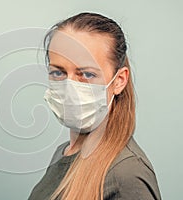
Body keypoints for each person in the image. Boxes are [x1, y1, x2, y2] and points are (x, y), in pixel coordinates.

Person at [28, 12, 161, 200]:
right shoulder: (65, 152)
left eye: (87, 74)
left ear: (119, 81)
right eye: (58, 72)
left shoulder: (126, 175)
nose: (70, 87)